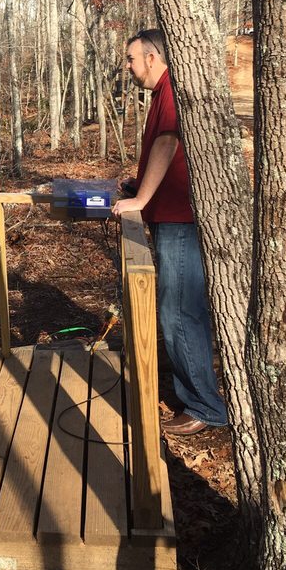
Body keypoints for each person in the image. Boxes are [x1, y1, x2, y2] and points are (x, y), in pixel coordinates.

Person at [111, 29, 227, 436]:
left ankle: (206, 407)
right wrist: (138, 186)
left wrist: (141, 199)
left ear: (152, 57)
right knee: (179, 311)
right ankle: (197, 396)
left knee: (178, 313)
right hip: (172, 217)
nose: (128, 66)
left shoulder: (172, 91)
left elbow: (168, 144)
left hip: (181, 221)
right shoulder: (163, 92)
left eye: (131, 58)